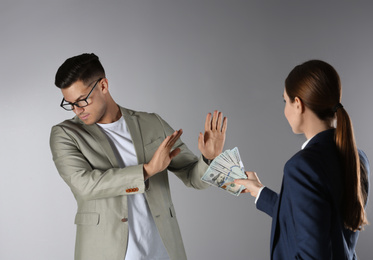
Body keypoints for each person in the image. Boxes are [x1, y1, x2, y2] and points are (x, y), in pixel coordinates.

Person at [49, 53, 227, 260]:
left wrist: (209, 159)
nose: (77, 110)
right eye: (70, 103)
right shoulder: (66, 134)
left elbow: (194, 179)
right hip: (106, 252)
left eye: (82, 100)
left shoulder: (152, 123)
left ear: (103, 86)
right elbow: (86, 186)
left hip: (162, 250)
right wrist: (148, 170)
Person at [235, 60, 370, 259]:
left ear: (298, 104)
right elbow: (316, 219)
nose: (285, 110)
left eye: (285, 101)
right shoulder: (357, 158)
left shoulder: (301, 167)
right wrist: (259, 191)